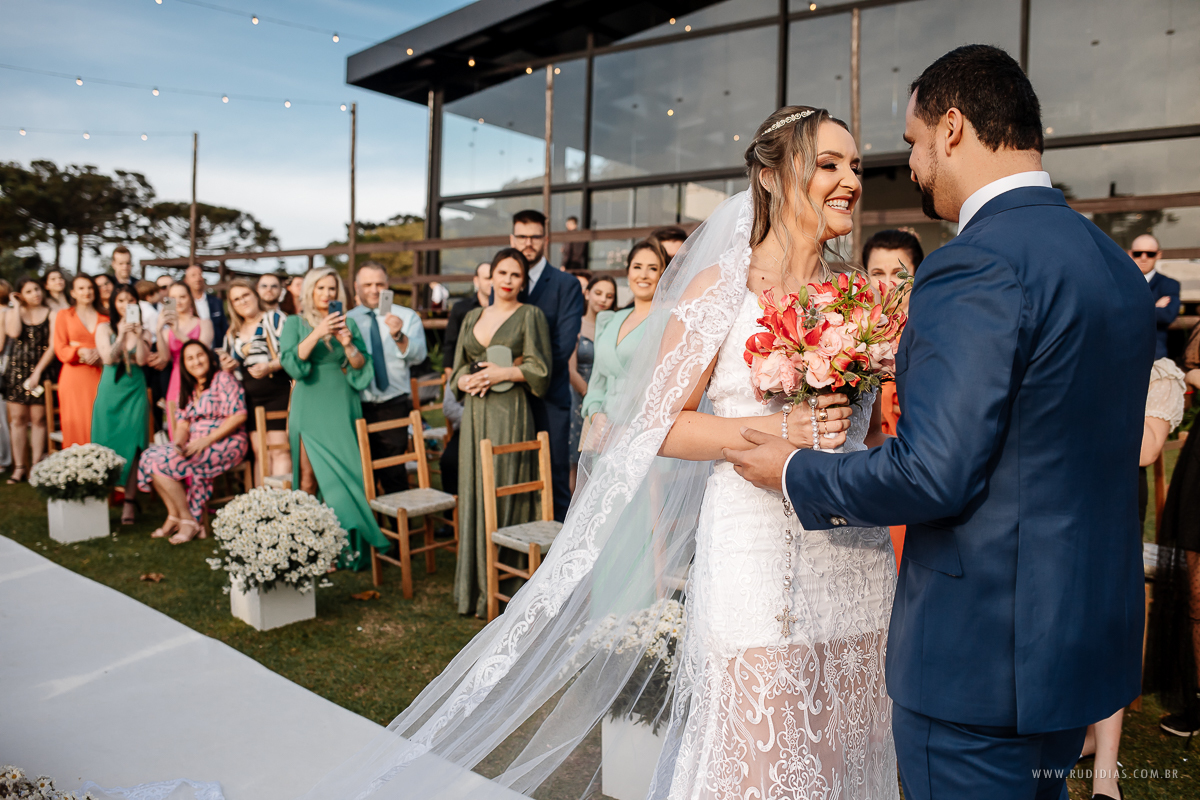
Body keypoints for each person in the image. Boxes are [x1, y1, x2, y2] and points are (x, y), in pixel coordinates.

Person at [294, 108, 871, 800]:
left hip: (848, 549)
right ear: (774, 178)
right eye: (830, 164)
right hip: (757, 548)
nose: (849, 181)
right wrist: (782, 438)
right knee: (763, 755)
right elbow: (661, 425)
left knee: (840, 747)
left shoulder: (856, 293)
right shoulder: (719, 288)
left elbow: (860, 426)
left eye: (856, 166)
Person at [732, 46, 1153, 800]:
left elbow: (933, 471)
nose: (913, 168)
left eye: (915, 145)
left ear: (952, 128)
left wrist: (794, 470)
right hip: (1078, 649)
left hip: (980, 664)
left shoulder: (976, 263)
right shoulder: (1110, 262)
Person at [1079, 356, 1182, 800]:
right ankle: (1075, 736)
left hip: (1111, 525)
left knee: (1108, 632)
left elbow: (1145, 451)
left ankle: (1106, 771)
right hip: (1059, 510)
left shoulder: (1158, 373)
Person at [449, 247, 551, 618]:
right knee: (474, 488)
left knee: (503, 488)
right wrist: (463, 379)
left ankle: (507, 585)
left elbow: (541, 369)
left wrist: (501, 373)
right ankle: (474, 587)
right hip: (474, 413)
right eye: (502, 273)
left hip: (510, 413)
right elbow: (456, 367)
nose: (508, 281)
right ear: (489, 276)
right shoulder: (472, 315)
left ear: (523, 282)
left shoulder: (531, 315)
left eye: (516, 275)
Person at [280, 267, 387, 572]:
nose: (327, 294)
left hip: (341, 403)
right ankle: (311, 546)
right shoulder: (294, 323)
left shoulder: (349, 322)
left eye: (332, 289)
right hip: (308, 403)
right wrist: (318, 332)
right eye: (321, 288)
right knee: (310, 479)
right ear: (310, 292)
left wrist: (348, 342)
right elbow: (292, 363)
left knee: (348, 474)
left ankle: (346, 547)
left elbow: (360, 368)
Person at [510, 209, 585, 520]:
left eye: (534, 236)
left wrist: (520, 371)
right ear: (511, 238)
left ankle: (557, 557)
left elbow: (563, 345)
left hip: (549, 396)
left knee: (554, 477)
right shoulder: (504, 280)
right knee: (514, 473)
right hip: (508, 399)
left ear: (546, 239)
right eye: (522, 236)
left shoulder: (565, 284)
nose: (528, 243)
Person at [138, 341, 248, 544]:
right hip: (196, 443)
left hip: (227, 441)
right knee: (149, 457)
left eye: (200, 355)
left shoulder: (223, 379)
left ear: (208, 356)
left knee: (165, 463)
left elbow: (238, 415)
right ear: (184, 364)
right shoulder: (189, 389)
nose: (196, 361)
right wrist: (178, 444)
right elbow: (183, 424)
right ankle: (175, 515)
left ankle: (188, 520)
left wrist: (205, 440)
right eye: (190, 358)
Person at [862, 228, 925, 564]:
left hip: (914, 477)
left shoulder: (931, 336)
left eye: (899, 274)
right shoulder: (850, 336)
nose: (886, 284)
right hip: (864, 476)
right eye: (877, 273)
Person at [348, 263, 428, 495]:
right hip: (357, 404)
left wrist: (398, 335)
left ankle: (397, 524)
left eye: (379, 284)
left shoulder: (405, 316)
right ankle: (373, 527)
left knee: (393, 473)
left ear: (388, 285)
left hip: (394, 404)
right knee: (362, 473)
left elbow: (419, 355)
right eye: (368, 284)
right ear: (357, 287)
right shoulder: (347, 320)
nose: (374, 290)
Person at [580, 242, 662, 437]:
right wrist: (595, 414)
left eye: (652, 269)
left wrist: (632, 428)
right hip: (604, 432)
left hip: (642, 431)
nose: (643, 275)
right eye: (637, 267)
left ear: (663, 274)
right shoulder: (608, 319)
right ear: (628, 273)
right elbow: (597, 382)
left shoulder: (668, 319)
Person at [217, 278, 290, 485]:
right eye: (236, 299)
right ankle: (260, 506)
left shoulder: (274, 319)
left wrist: (271, 366)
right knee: (260, 453)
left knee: (280, 450)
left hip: (277, 392)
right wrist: (228, 366)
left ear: (255, 295)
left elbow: (292, 353)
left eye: (245, 295)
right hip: (250, 398)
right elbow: (232, 370)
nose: (242, 302)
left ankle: (283, 506)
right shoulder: (232, 333)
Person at [92, 284, 151, 525]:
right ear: (113, 304)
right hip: (111, 392)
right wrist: (122, 335)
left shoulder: (143, 331)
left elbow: (142, 359)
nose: (125, 305)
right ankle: (98, 498)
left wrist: (136, 334)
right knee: (105, 441)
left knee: (134, 444)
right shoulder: (104, 328)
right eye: (121, 300)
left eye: (130, 300)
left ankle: (129, 502)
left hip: (135, 390)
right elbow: (108, 358)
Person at [440, 262, 492, 496]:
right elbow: (451, 343)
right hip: (467, 410)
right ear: (476, 281)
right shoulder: (463, 310)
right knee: (451, 460)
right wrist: (454, 378)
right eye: (487, 277)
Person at [3, 278, 55, 482]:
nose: (35, 294)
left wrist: (38, 372)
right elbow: (14, 332)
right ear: (20, 294)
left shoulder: (51, 314)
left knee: (39, 420)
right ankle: (19, 467)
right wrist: (16, 306)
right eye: (29, 291)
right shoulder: (12, 313)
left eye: (37, 289)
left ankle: (35, 466)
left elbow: (52, 346)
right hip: (17, 371)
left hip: (41, 371)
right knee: (17, 421)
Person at [567, 275, 616, 491]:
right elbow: (569, 369)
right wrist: (592, 396)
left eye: (609, 296)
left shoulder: (616, 324)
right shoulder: (575, 324)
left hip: (611, 397)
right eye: (598, 293)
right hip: (581, 397)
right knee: (577, 458)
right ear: (587, 293)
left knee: (603, 455)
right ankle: (574, 514)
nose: (603, 299)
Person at [53, 274, 108, 446]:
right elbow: (60, 348)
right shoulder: (64, 315)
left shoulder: (105, 316)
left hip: (101, 374)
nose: (87, 292)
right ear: (73, 293)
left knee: (101, 421)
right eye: (81, 288)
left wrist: (100, 352)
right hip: (74, 377)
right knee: (76, 423)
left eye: (90, 287)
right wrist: (80, 351)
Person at [157, 281, 213, 436]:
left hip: (200, 378)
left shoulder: (204, 323)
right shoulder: (166, 332)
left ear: (190, 298)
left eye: (183, 296)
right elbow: (164, 358)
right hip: (177, 379)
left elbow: (202, 351)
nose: (179, 301)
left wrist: (177, 332)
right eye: (174, 298)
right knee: (178, 427)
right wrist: (159, 329)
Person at [1130, 234, 1179, 360]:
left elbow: (1167, 315)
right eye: (1138, 253)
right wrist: (1153, 307)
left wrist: (1129, 309)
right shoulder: (1118, 283)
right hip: (1122, 354)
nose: (1143, 258)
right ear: (1130, 254)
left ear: (1158, 255)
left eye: (1150, 254)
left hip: (1154, 356)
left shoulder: (1169, 284)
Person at [184, 263, 228, 346]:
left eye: (200, 275)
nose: (198, 278)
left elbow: (224, 328)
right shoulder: (184, 304)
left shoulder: (216, 302)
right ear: (186, 281)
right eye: (193, 275)